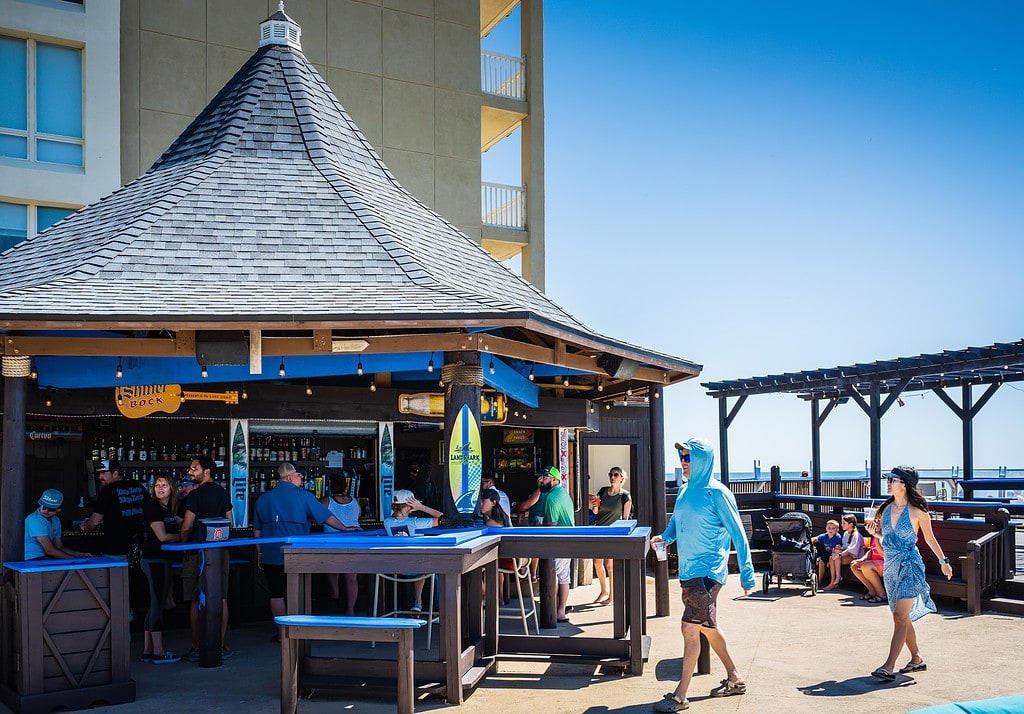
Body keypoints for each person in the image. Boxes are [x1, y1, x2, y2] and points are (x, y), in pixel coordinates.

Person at [651, 439, 755, 713]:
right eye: (681, 456)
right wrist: (665, 536)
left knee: (689, 628)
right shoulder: (684, 491)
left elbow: (738, 534)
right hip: (688, 571)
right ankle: (735, 678)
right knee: (708, 627)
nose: (683, 460)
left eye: (688, 456)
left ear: (701, 460)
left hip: (709, 572)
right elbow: (676, 523)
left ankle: (680, 695)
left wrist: (748, 574)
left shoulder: (717, 493)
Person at [867, 466, 952, 681]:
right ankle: (916, 658)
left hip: (910, 566)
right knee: (902, 618)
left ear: (903, 483)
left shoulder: (917, 511)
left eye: (892, 479)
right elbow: (885, 542)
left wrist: (944, 562)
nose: (888, 482)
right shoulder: (885, 509)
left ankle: (888, 666)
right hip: (891, 568)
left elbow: (930, 538)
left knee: (898, 617)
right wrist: (875, 534)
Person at [254, 463, 347, 627]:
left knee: (276, 594)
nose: (302, 477)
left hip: (271, 553)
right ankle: (298, 630)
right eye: (299, 474)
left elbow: (257, 531)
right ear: (290, 477)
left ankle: (282, 632)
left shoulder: (263, 498)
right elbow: (327, 517)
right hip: (297, 553)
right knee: (298, 592)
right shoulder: (304, 496)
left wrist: (260, 553)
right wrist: (345, 529)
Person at [179, 455, 233, 662]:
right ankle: (219, 644)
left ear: (207, 471)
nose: (190, 472)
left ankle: (197, 646)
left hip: (198, 552)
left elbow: (186, 526)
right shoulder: (222, 492)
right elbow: (230, 522)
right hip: (221, 551)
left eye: (194, 468)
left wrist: (186, 546)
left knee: (195, 598)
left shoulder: (195, 495)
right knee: (222, 596)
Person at [140, 476, 182, 664]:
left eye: (164, 485)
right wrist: (184, 535)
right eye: (157, 485)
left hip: (162, 560)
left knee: (154, 603)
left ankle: (148, 650)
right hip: (154, 558)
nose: (160, 488)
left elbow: (184, 521)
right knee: (158, 603)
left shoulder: (169, 509)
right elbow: (162, 537)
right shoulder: (152, 507)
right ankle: (158, 651)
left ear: (172, 489)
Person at [384, 489, 443, 611]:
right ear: (407, 505)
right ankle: (435, 609)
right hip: (415, 566)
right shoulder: (414, 522)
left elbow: (395, 517)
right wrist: (422, 507)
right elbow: (443, 518)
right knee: (433, 570)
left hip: (396, 566)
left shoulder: (387, 522)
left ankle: (418, 603)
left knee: (420, 566)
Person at [79, 459, 146, 560]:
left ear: (115, 473)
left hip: (116, 549)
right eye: (99, 474)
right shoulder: (138, 486)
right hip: (140, 545)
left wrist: (85, 526)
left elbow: (94, 522)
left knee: (116, 575)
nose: (100, 477)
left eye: (103, 473)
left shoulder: (107, 490)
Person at [590, 466, 632, 606]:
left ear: (621, 478)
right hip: (600, 530)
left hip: (614, 533)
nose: (612, 477)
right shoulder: (603, 491)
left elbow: (625, 519)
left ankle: (612, 596)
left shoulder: (625, 496)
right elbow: (596, 512)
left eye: (616, 474)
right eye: (611, 474)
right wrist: (594, 505)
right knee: (597, 563)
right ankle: (604, 591)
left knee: (610, 566)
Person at [320, 476, 362, 616]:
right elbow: (359, 515)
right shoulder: (355, 501)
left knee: (332, 570)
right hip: (354, 541)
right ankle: (350, 609)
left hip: (332, 542)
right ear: (346, 487)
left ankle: (335, 593)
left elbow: (316, 516)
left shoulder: (327, 501)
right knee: (351, 578)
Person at [538, 466, 574, 623]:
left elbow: (550, 526)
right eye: (540, 477)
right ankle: (560, 610)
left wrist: (539, 526)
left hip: (558, 542)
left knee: (553, 577)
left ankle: (553, 611)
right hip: (568, 541)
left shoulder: (552, 498)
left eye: (544, 478)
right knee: (563, 577)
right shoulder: (563, 493)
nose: (540, 480)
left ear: (554, 479)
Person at [24, 489, 92, 560]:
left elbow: (59, 547)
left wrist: (82, 555)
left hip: (44, 558)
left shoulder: (55, 520)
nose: (46, 510)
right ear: (39, 505)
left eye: (51, 508)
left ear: (59, 509)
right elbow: (50, 551)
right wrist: (76, 560)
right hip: (31, 559)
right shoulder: (35, 520)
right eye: (43, 507)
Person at [823, 514, 864, 591]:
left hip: (855, 557)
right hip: (848, 555)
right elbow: (845, 547)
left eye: (844, 523)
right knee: (832, 557)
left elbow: (852, 550)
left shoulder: (856, 535)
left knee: (836, 556)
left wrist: (839, 554)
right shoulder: (846, 534)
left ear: (851, 524)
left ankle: (837, 578)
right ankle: (833, 581)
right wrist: (840, 548)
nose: (842, 525)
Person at [851, 535, 886, 603]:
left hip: (888, 564)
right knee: (854, 565)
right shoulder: (875, 536)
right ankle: (872, 591)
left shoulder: (885, 535)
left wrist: (877, 539)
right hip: (876, 563)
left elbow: (883, 554)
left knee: (865, 565)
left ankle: (881, 594)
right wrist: (862, 559)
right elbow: (871, 550)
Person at [811, 519, 842, 590]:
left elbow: (834, 550)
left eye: (833, 528)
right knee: (820, 561)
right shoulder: (825, 536)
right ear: (826, 529)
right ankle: (819, 581)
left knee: (826, 560)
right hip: (826, 554)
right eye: (829, 528)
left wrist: (829, 562)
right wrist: (810, 540)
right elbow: (816, 538)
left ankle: (819, 582)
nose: (830, 530)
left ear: (837, 530)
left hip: (833, 555)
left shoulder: (837, 537)